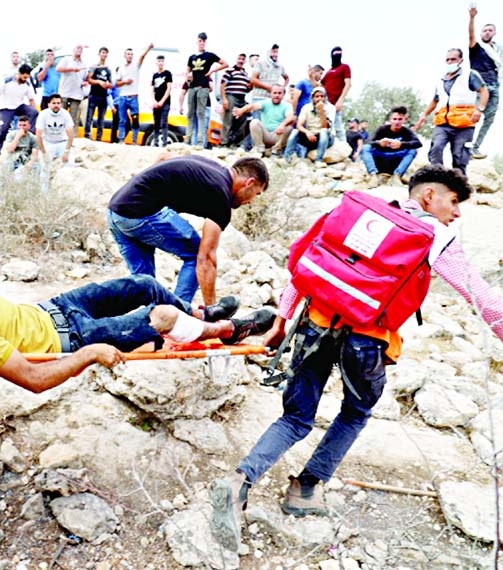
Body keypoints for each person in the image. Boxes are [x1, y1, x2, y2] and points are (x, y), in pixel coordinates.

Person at [210, 164, 503, 552]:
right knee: (356, 412)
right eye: (453, 202)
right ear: (428, 197)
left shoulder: (356, 210)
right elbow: (480, 296)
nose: (457, 213)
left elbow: (304, 264)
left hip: (313, 325)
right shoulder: (436, 236)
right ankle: (306, 488)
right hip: (365, 342)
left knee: (295, 417)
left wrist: (281, 321)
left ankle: (238, 483)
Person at [0, 216, 277, 392]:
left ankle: (198, 314)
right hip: (72, 337)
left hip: (53, 308)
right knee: (161, 317)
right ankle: (227, 330)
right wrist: (90, 353)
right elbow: (34, 379)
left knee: (144, 284)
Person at [107, 156, 269, 304]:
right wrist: (212, 309)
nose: (251, 202)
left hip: (115, 212)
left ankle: (151, 325)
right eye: (256, 194)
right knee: (195, 253)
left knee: (144, 283)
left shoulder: (211, 168)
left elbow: (164, 158)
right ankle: (178, 315)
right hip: (139, 215)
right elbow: (205, 259)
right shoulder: (220, 196)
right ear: (249, 183)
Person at [415, 48, 488, 176]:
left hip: (464, 124)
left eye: (453, 59)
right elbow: (435, 100)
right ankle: (438, 178)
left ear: (461, 60)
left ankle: (459, 185)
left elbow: (484, 91)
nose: (450, 62)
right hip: (443, 123)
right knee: (436, 148)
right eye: (447, 60)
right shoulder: (441, 80)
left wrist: (480, 109)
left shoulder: (469, 75)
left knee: (459, 156)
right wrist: (424, 115)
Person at [468, 5, 502, 159]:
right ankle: (465, 145)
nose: (487, 32)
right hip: (480, 86)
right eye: (484, 30)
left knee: (490, 119)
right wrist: (472, 18)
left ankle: (475, 147)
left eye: (490, 30)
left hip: (495, 85)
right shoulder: (476, 46)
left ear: (494, 32)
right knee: (475, 115)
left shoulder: (498, 50)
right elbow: (470, 35)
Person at [360, 106, 422, 186]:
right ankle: (373, 175)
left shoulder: (406, 131)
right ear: (390, 120)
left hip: (395, 160)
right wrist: (379, 143)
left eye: (400, 119)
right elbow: (367, 141)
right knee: (365, 147)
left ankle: (397, 176)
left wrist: (401, 144)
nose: (397, 122)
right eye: (394, 119)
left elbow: (418, 143)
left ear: (404, 120)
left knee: (413, 150)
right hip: (380, 158)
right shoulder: (381, 129)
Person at [0, 64, 38, 162]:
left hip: (19, 106)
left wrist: (36, 113)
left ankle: (27, 137)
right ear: (19, 74)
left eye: (27, 77)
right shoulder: (7, 80)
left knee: (34, 112)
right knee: (3, 130)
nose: (25, 79)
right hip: (6, 107)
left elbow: (31, 99)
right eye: (24, 77)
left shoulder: (27, 83)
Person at [232, 84, 294, 156]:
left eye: (279, 93)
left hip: (277, 136)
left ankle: (276, 151)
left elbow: (290, 116)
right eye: (275, 93)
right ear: (271, 94)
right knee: (254, 122)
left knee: (289, 128)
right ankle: (260, 150)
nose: (277, 95)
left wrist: (282, 125)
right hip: (265, 135)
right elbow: (252, 106)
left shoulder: (287, 105)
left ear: (283, 94)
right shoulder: (265, 102)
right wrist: (241, 110)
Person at [187, 33, 226, 148]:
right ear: (197, 42)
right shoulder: (192, 57)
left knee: (201, 113)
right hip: (192, 87)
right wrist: (187, 78)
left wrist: (212, 71)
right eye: (200, 40)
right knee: (190, 113)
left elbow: (225, 64)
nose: (201, 43)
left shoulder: (209, 55)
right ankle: (188, 139)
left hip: (203, 87)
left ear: (205, 42)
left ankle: (200, 141)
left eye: (203, 41)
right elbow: (188, 70)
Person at [283, 86, 334, 163]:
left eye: (322, 96)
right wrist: (307, 132)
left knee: (323, 131)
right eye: (317, 96)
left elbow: (325, 127)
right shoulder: (306, 107)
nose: (319, 99)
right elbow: (299, 125)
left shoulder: (330, 108)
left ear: (325, 97)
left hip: (325, 138)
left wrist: (321, 111)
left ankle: (318, 160)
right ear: (313, 98)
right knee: (295, 131)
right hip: (311, 136)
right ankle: (286, 158)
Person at [116, 43, 154, 145]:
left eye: (131, 54)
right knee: (122, 120)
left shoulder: (136, 66)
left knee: (135, 120)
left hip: (133, 97)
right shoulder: (121, 68)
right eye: (128, 54)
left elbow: (142, 56)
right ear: (125, 56)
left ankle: (134, 141)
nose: (130, 56)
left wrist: (149, 48)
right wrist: (125, 82)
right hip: (123, 97)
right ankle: (121, 140)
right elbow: (116, 83)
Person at [220, 53, 251, 148]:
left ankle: (236, 143)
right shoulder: (230, 71)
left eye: (243, 59)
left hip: (242, 98)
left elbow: (246, 89)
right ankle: (224, 142)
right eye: (239, 58)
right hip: (231, 96)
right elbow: (222, 85)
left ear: (245, 61)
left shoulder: (245, 74)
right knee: (228, 120)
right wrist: (224, 99)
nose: (241, 61)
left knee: (241, 121)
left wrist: (251, 87)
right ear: (236, 59)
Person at [249, 44, 289, 118]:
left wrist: (283, 87)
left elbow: (286, 78)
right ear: (268, 52)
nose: (275, 54)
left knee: (269, 124)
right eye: (273, 52)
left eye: (277, 52)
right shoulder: (260, 64)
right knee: (256, 123)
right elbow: (253, 79)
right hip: (259, 97)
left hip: (272, 99)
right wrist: (267, 87)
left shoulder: (280, 66)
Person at [321, 47, 351, 141]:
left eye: (339, 52)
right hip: (325, 103)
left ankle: (345, 149)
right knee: (325, 128)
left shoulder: (344, 67)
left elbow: (348, 84)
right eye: (335, 53)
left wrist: (341, 100)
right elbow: (320, 85)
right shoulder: (329, 71)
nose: (337, 54)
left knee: (338, 129)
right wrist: (311, 77)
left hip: (335, 103)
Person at [57, 44, 88, 132]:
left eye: (81, 48)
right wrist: (71, 69)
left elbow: (85, 78)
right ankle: (59, 135)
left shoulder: (83, 64)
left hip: (77, 94)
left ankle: (72, 139)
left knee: (73, 119)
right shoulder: (66, 59)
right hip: (64, 92)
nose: (80, 50)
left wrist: (85, 83)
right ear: (73, 49)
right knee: (61, 116)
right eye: (78, 48)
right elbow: (58, 69)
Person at [85, 47, 113, 142]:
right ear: (99, 54)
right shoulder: (94, 66)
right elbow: (88, 79)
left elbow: (111, 83)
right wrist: (98, 82)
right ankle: (87, 136)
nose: (104, 55)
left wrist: (108, 85)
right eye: (103, 52)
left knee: (101, 119)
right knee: (89, 117)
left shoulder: (108, 69)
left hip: (103, 96)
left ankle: (99, 138)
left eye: (106, 53)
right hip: (94, 95)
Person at [151, 55, 174, 147]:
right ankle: (155, 142)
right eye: (159, 61)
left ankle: (164, 143)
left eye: (162, 61)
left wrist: (162, 101)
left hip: (165, 103)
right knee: (156, 123)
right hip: (156, 103)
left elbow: (169, 89)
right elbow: (152, 89)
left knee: (163, 122)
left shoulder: (167, 73)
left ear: (164, 62)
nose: (160, 63)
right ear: (156, 63)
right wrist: (154, 101)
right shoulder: (155, 75)